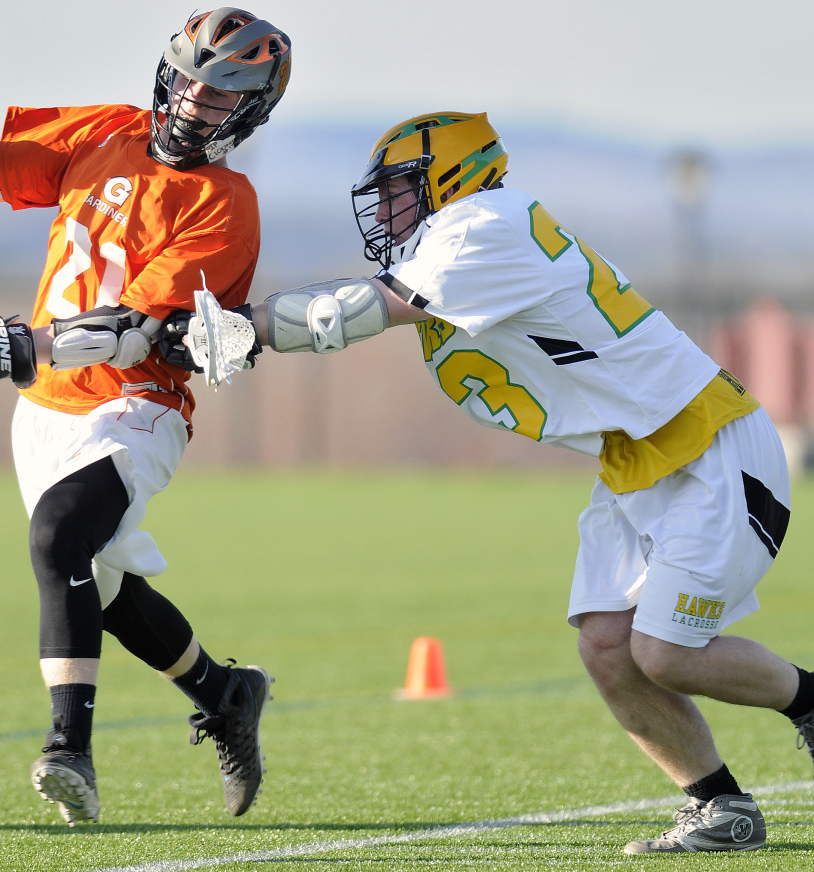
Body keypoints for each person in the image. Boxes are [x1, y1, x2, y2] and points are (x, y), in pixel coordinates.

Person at [188, 110, 814, 854]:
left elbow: (367, 309)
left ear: (448, 177)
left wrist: (246, 327)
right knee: (607, 646)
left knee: (664, 652)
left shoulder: (484, 221)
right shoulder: (459, 242)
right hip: (638, 458)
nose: (385, 208)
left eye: (397, 189)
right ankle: (720, 806)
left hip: (707, 444)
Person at [0, 7, 291, 827]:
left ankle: (69, 751)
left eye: (218, 96)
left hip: (137, 405)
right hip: (46, 411)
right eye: (188, 81)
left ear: (248, 111)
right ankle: (227, 693)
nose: (193, 102)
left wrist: (3, 347)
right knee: (99, 588)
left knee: (58, 539)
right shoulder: (108, 130)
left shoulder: (224, 204)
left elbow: (132, 333)